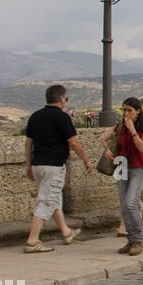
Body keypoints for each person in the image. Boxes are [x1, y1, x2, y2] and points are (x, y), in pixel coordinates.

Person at [23, 84, 92, 253]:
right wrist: (86, 161)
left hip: (38, 164)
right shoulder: (62, 118)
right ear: (62, 99)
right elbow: (74, 142)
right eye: (66, 99)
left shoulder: (35, 116)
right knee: (46, 200)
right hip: (53, 166)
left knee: (53, 199)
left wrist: (28, 165)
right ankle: (32, 241)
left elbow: (28, 143)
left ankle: (66, 232)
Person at [106, 97, 143, 256]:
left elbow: (142, 147)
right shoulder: (120, 126)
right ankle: (131, 240)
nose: (126, 113)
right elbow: (103, 138)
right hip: (122, 166)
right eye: (124, 110)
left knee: (130, 203)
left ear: (138, 111)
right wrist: (108, 149)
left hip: (137, 168)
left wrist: (133, 130)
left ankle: (139, 239)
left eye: (129, 110)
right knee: (124, 205)